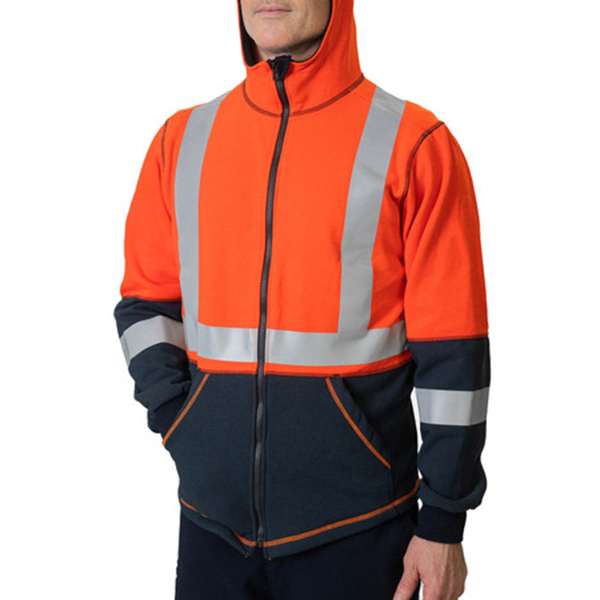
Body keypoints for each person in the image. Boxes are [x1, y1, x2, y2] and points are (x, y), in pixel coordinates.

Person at [113, 1, 491, 598]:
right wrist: (180, 422)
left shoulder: (415, 144)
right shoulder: (181, 141)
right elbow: (145, 304)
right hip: (211, 528)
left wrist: (444, 521)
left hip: (359, 532)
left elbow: (455, 355)